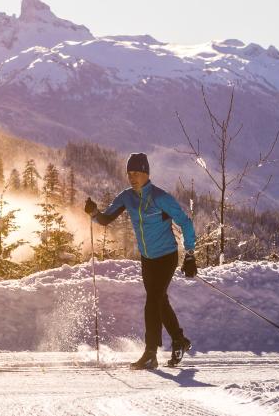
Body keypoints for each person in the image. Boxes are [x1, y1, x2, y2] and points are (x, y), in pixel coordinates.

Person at [84, 152, 198, 370]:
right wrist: (94, 212)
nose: (132, 177)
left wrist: (190, 254)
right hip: (147, 258)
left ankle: (150, 353)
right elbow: (106, 219)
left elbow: (185, 222)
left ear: (146, 173)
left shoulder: (160, 197)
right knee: (160, 301)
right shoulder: (127, 197)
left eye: (137, 173)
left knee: (152, 301)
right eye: (129, 173)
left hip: (166, 256)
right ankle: (179, 340)